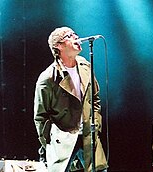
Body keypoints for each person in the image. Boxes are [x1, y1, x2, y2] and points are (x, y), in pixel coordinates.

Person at [34, 26, 108, 172]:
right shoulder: (48, 78)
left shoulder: (85, 66)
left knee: (99, 169)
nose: (75, 36)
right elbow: (40, 116)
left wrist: (96, 123)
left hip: (88, 134)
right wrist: (50, 141)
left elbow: (94, 98)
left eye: (75, 34)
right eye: (69, 36)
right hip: (64, 138)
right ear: (58, 46)